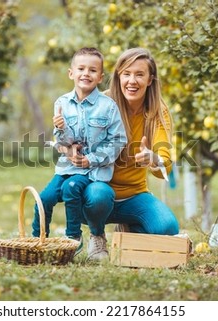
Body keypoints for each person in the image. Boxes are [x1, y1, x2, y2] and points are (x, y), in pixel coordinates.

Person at [80, 47, 180, 261]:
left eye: (139, 74)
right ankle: (97, 237)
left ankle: (128, 230)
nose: (132, 81)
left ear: (150, 79)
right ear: (118, 76)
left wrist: (153, 158)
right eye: (126, 73)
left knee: (167, 227)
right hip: (97, 192)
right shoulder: (101, 104)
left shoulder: (158, 112)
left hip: (134, 195)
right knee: (99, 194)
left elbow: (165, 167)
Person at [32, 47, 127, 255]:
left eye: (92, 70)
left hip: (91, 172)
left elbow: (119, 140)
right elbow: (63, 141)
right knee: (44, 198)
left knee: (71, 188)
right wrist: (60, 129)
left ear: (100, 77)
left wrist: (90, 159)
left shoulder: (108, 106)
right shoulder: (62, 103)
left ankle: (73, 237)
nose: (86, 73)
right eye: (81, 68)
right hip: (66, 167)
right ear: (71, 73)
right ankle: (37, 242)